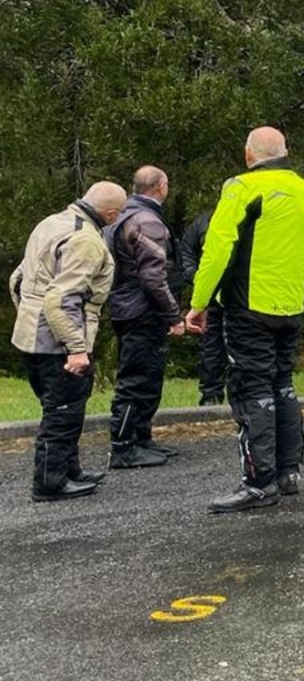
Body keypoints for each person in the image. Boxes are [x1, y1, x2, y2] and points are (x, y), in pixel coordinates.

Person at [186, 126, 304, 513]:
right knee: (283, 383)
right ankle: (288, 472)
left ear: (249, 154)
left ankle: (258, 481)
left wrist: (201, 301)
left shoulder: (242, 189)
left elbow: (217, 249)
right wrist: (297, 291)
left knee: (252, 388)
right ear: (285, 151)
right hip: (289, 304)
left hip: (248, 305)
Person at [10, 181, 127, 501]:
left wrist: (26, 316)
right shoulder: (86, 240)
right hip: (59, 341)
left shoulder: (51, 222)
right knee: (62, 413)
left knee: (65, 409)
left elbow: (18, 279)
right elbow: (60, 299)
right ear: (111, 214)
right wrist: (76, 347)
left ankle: (68, 469)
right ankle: (49, 483)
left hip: (30, 335)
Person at [105, 166, 185, 469]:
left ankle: (142, 437)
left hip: (125, 305)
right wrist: (173, 315)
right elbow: (154, 278)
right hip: (142, 309)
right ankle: (124, 446)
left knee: (147, 375)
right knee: (138, 378)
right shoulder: (148, 221)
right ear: (161, 187)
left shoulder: (120, 217)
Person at [180, 209, 227, 406]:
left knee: (244, 345)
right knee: (212, 346)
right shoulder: (204, 221)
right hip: (211, 294)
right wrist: (197, 278)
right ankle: (211, 394)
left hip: (244, 293)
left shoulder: (252, 218)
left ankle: (244, 393)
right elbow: (186, 251)